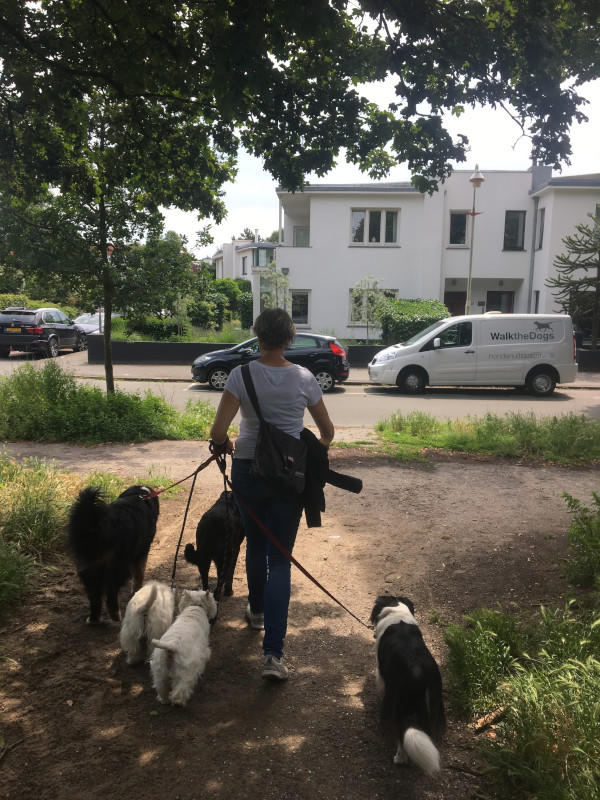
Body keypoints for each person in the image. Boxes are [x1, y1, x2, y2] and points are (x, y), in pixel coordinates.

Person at [209, 308, 335, 681]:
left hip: (248, 469)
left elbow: (218, 432)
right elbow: (327, 432)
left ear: (257, 335)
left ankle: (257, 611)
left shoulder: (240, 374)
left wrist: (227, 443)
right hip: (288, 475)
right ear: (290, 337)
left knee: (258, 547)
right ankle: (273, 656)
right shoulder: (305, 378)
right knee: (281, 558)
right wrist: (307, 449)